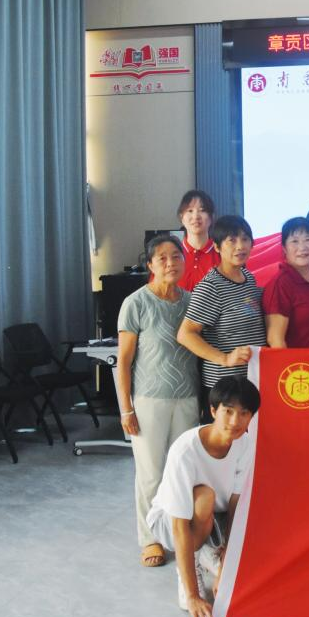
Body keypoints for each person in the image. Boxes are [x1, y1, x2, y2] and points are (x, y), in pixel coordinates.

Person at [146, 376, 260, 617]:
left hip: (214, 519)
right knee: (204, 497)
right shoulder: (186, 450)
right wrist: (192, 595)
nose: (235, 421)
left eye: (244, 413)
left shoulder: (245, 444)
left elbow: (235, 507)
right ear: (213, 411)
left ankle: (211, 554)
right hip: (170, 522)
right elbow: (179, 525)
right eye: (228, 411)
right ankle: (189, 569)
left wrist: (225, 570)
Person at [116, 235, 199, 569]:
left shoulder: (192, 301)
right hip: (148, 399)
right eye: (162, 258)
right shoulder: (136, 302)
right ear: (149, 264)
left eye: (176, 256)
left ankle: (179, 532)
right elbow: (124, 361)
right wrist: (126, 408)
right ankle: (151, 538)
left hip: (188, 397)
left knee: (183, 471)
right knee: (150, 473)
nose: (170, 263)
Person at [177, 215, 266, 411]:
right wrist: (224, 359)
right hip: (223, 386)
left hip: (250, 380)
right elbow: (185, 334)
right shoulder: (211, 286)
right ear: (217, 247)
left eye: (245, 239)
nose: (240, 246)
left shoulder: (249, 278)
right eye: (231, 240)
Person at [263, 217, 309, 349]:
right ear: (284, 248)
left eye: (308, 239)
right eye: (294, 241)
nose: (302, 247)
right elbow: (275, 340)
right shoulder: (281, 284)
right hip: (298, 363)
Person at [152, 190, 220, 291]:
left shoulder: (222, 254)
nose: (196, 216)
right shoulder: (169, 255)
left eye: (202, 210)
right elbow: (155, 293)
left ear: (211, 217)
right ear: (181, 217)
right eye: (190, 211)